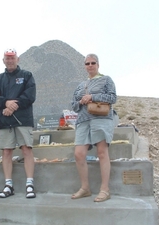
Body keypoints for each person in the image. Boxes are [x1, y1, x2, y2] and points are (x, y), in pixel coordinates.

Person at [71, 53, 117, 202]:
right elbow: (73, 105)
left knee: (102, 152)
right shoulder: (80, 85)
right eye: (87, 63)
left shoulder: (106, 80)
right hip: (83, 120)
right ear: (84, 66)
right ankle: (85, 188)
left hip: (101, 118)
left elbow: (112, 98)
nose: (90, 65)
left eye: (93, 63)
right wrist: (81, 101)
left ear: (98, 65)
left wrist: (92, 97)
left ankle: (105, 189)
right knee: (79, 153)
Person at [0, 48, 36, 199]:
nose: (10, 60)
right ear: (3, 60)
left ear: (18, 59)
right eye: (7, 58)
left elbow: (30, 96)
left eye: (12, 58)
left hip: (23, 120)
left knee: (26, 149)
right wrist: (5, 102)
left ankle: (30, 184)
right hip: (4, 121)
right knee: (6, 152)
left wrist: (13, 106)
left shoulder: (27, 76)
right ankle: (8, 185)